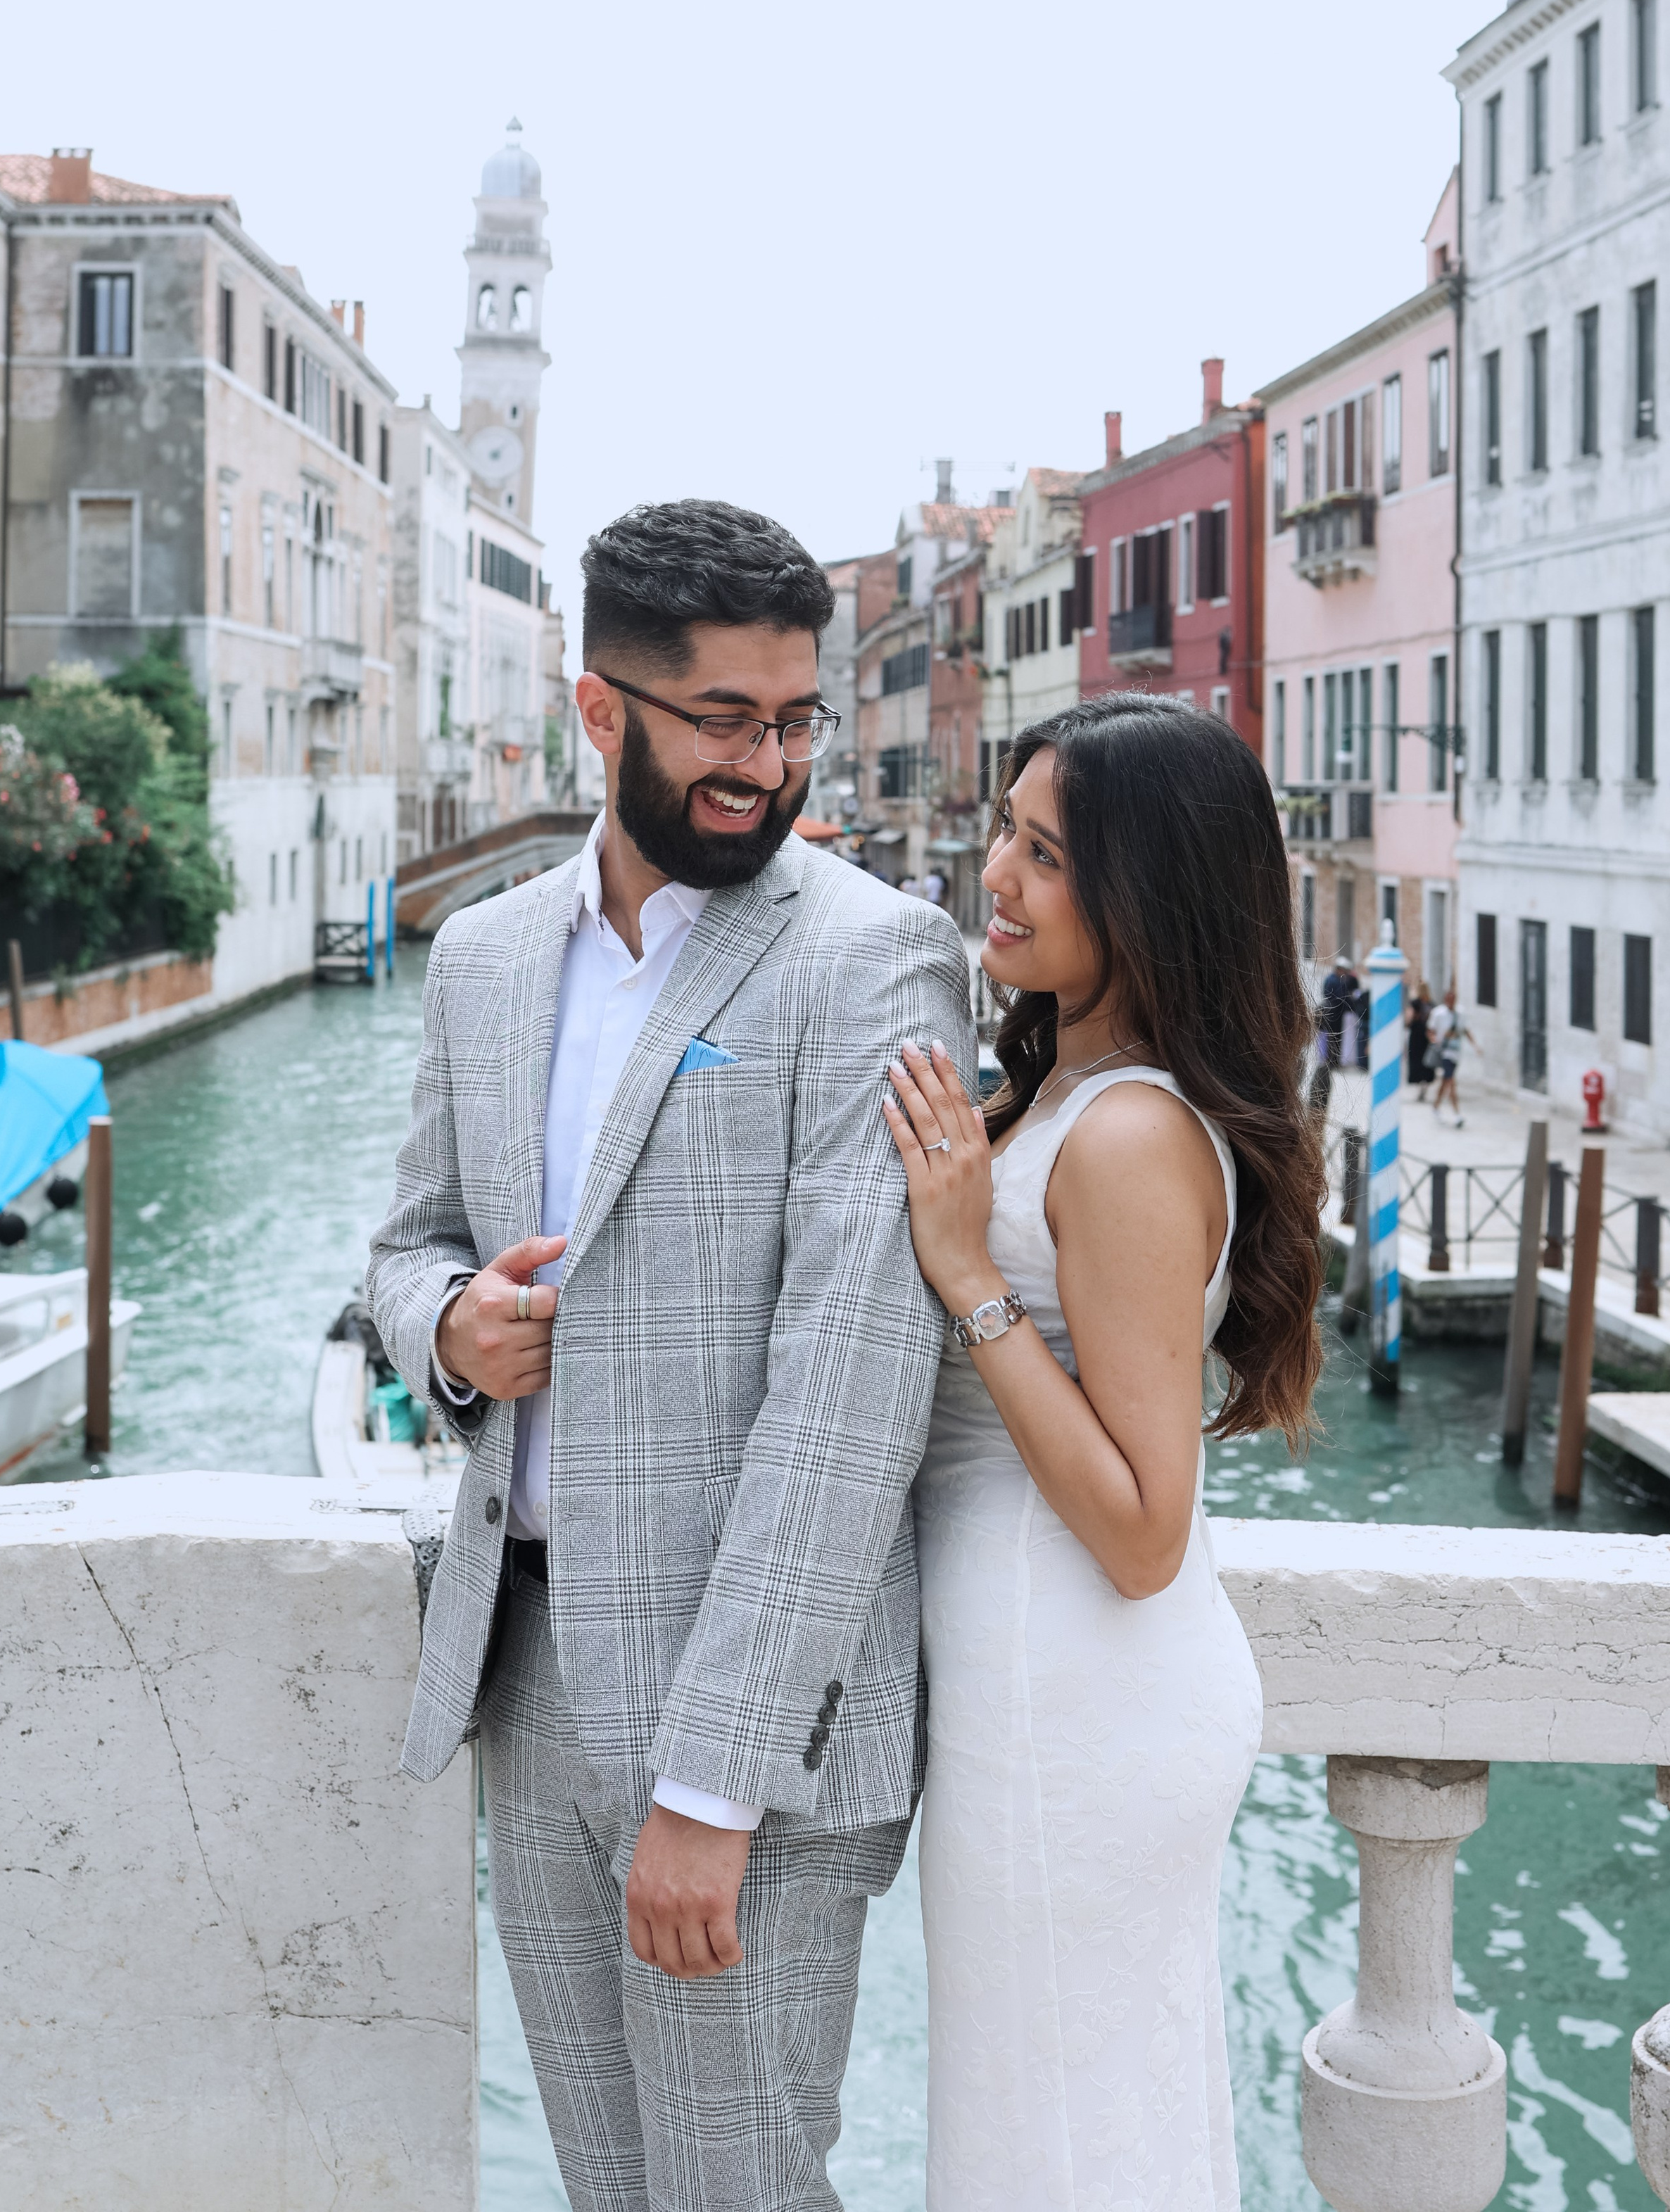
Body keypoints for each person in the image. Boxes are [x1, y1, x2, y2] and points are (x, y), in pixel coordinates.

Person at [369, 499, 975, 2212]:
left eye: (792, 720)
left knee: (740, 2192)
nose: (764, 765)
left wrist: (712, 1782)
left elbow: (851, 1392)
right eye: (721, 718)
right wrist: (453, 1333)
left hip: (753, 1726)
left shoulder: (873, 956)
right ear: (597, 709)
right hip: (525, 1671)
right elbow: (405, 1243)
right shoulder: (482, 958)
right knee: (609, 2189)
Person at [882, 695, 1323, 2210]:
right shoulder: (1063, 1094)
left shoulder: (1127, 1138)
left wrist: (964, 1275)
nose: (994, 872)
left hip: (1072, 1690)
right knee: (1060, 2126)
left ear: (1151, 894)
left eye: (1045, 853)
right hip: (1032, 1679)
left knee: (1061, 2146)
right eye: (1004, 829)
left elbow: (1142, 1532)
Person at [1429, 982, 1467, 1125]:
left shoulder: (1460, 1013)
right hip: (1445, 1052)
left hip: (1456, 1052)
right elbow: (1430, 1031)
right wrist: (1437, 1041)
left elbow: (1465, 1030)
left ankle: (1436, 1106)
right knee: (1451, 1082)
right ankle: (1457, 1114)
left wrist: (1475, 1046)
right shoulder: (1438, 1013)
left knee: (1446, 1081)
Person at [1405, 982, 1436, 1096]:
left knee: (1416, 1060)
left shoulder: (1415, 1004)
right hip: (1428, 1036)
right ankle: (1425, 1084)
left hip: (1416, 1035)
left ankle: (1419, 1085)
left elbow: (1409, 1019)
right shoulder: (1432, 1005)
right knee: (1427, 1061)